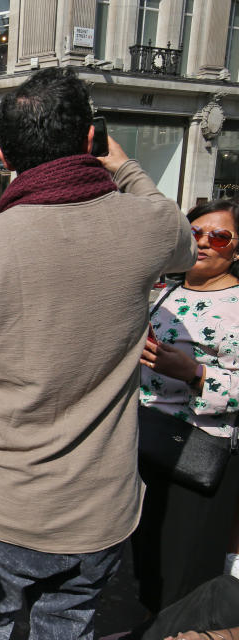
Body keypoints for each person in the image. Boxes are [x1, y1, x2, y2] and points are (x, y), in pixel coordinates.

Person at [0, 67, 197, 639]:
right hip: (99, 507)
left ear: (4, 156)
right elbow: (183, 239)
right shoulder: (146, 223)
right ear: (90, 141)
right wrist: (122, 166)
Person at [134, 199, 239, 613]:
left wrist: (195, 374)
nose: (205, 243)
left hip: (198, 457)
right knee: (146, 564)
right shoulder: (163, 291)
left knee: (182, 575)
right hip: (144, 444)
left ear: (235, 248)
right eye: (195, 233)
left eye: (219, 236)